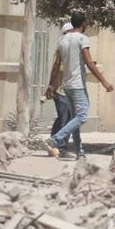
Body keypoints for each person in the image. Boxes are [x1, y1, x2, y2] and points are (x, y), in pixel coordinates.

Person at [44, 12, 114, 158]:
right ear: (83, 24)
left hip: (67, 85)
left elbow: (57, 64)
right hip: (77, 85)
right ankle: (55, 139)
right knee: (81, 116)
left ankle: (79, 152)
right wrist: (104, 82)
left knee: (74, 117)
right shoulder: (83, 39)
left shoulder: (62, 39)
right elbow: (89, 62)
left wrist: (51, 85)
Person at [43, 21, 83, 158]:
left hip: (67, 88)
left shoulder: (71, 47)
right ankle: (58, 146)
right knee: (64, 118)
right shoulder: (63, 46)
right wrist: (50, 86)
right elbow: (56, 67)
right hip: (61, 89)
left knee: (65, 118)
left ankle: (55, 146)